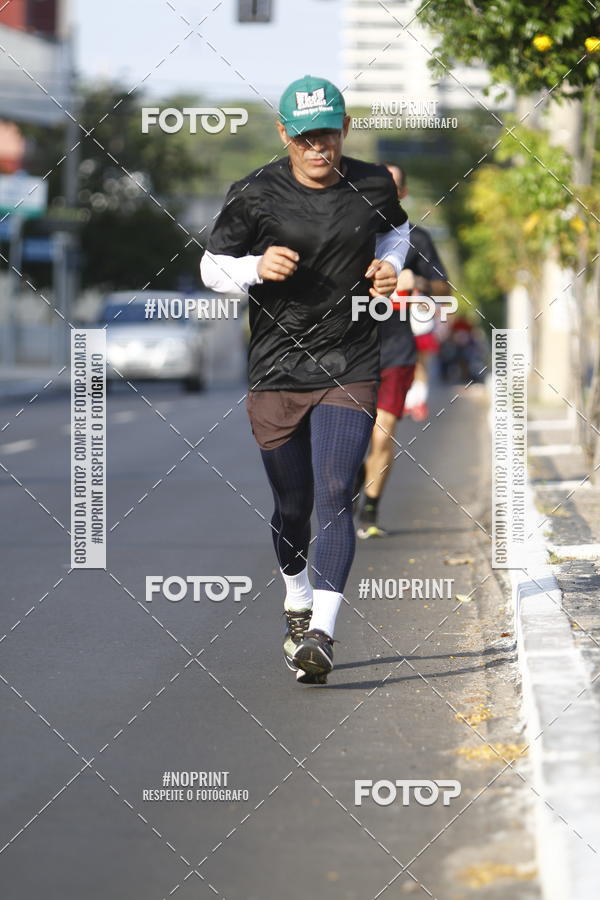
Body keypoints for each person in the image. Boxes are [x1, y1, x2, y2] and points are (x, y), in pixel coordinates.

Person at [200, 76, 409, 683]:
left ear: (344, 130)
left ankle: (322, 631)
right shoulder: (255, 195)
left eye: (329, 136)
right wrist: (255, 266)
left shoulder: (369, 183)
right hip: (276, 371)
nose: (319, 149)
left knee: (336, 489)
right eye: (306, 138)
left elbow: (396, 230)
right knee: (293, 509)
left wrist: (388, 265)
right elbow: (211, 269)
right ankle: (296, 593)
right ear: (284, 134)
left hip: (349, 362)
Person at [356, 163, 450, 539]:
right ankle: (351, 478)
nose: (382, 194)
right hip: (348, 351)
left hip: (396, 349)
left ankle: (370, 510)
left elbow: (445, 290)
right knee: (348, 437)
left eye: (390, 188)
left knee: (382, 435)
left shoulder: (417, 239)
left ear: (402, 195)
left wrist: (420, 280)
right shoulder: (348, 233)